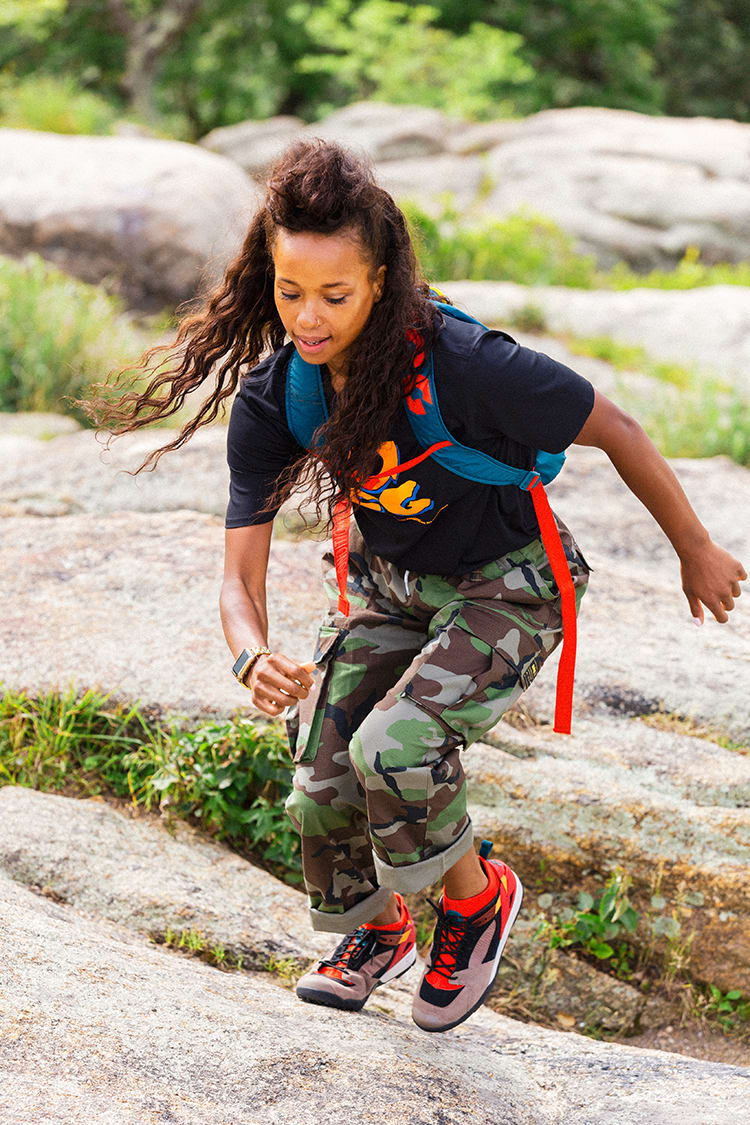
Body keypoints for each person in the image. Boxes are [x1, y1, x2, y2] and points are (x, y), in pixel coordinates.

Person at [84, 138, 746, 1034]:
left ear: (382, 277)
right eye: (289, 292)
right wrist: (251, 656)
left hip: (510, 583)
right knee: (321, 763)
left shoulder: (468, 363)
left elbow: (618, 427)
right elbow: (239, 570)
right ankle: (373, 929)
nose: (308, 319)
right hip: (393, 586)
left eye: (334, 295)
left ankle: (475, 902)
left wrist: (695, 547)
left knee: (394, 745)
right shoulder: (279, 393)